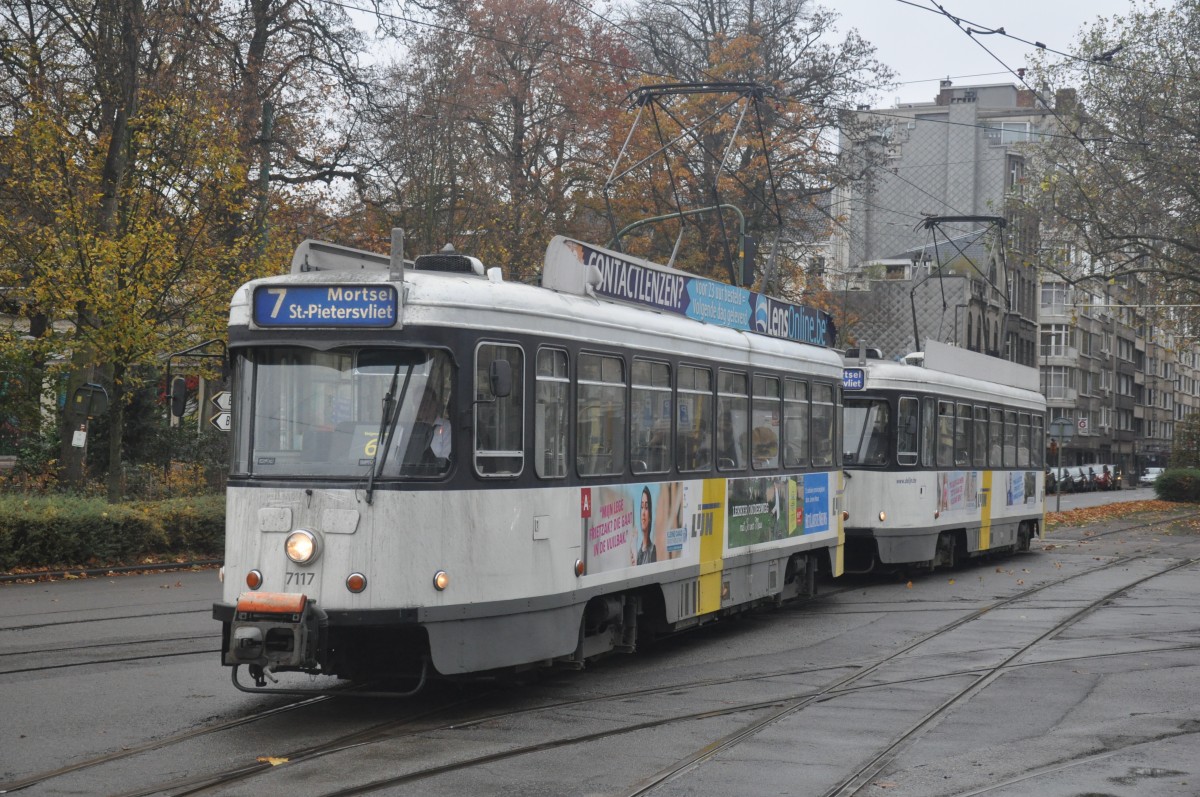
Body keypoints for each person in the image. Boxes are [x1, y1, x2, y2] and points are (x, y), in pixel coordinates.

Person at [636, 486, 657, 564]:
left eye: (646, 507)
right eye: (642, 507)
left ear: (650, 516)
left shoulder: (652, 549)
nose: (643, 513)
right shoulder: (638, 553)